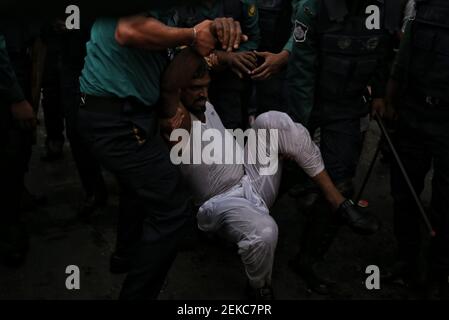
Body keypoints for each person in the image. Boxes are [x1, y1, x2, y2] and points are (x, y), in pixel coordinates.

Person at [159, 48, 380, 299]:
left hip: (250, 178)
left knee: (272, 121)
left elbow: (212, 63)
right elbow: (168, 87)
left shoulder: (202, 100)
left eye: (206, 86)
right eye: (195, 88)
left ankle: (337, 202)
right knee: (265, 231)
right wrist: (194, 40)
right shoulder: (177, 120)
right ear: (179, 89)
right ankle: (259, 288)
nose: (203, 93)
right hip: (222, 204)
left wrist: (224, 56)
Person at [77, 9, 248, 299]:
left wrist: (202, 43)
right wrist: (194, 34)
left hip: (133, 115)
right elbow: (128, 30)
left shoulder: (168, 13)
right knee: (172, 211)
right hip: (115, 119)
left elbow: (169, 77)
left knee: (143, 188)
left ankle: (127, 256)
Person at [285, 0, 404, 294]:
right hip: (310, 103)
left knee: (340, 184)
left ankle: (309, 259)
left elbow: (384, 52)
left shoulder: (387, 8)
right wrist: (301, 131)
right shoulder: (313, 9)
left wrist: (377, 93)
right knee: (282, 172)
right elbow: (300, 74)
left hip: (347, 106)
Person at [387, 0, 449, 299]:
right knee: (404, 190)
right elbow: (406, 54)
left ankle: (439, 271)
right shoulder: (424, 5)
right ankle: (406, 260)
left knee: (446, 201)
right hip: (413, 110)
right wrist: (391, 96)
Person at [175, 0, 261, 129]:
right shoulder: (177, 7)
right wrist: (216, 57)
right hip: (190, 82)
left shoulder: (242, 3)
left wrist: (233, 57)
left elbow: (253, 39)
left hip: (230, 80)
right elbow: (171, 44)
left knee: (232, 129)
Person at [0, 31, 37, 266]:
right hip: (7, 78)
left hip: (18, 63)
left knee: (18, 147)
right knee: (8, 153)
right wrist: (16, 97)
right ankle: (7, 228)